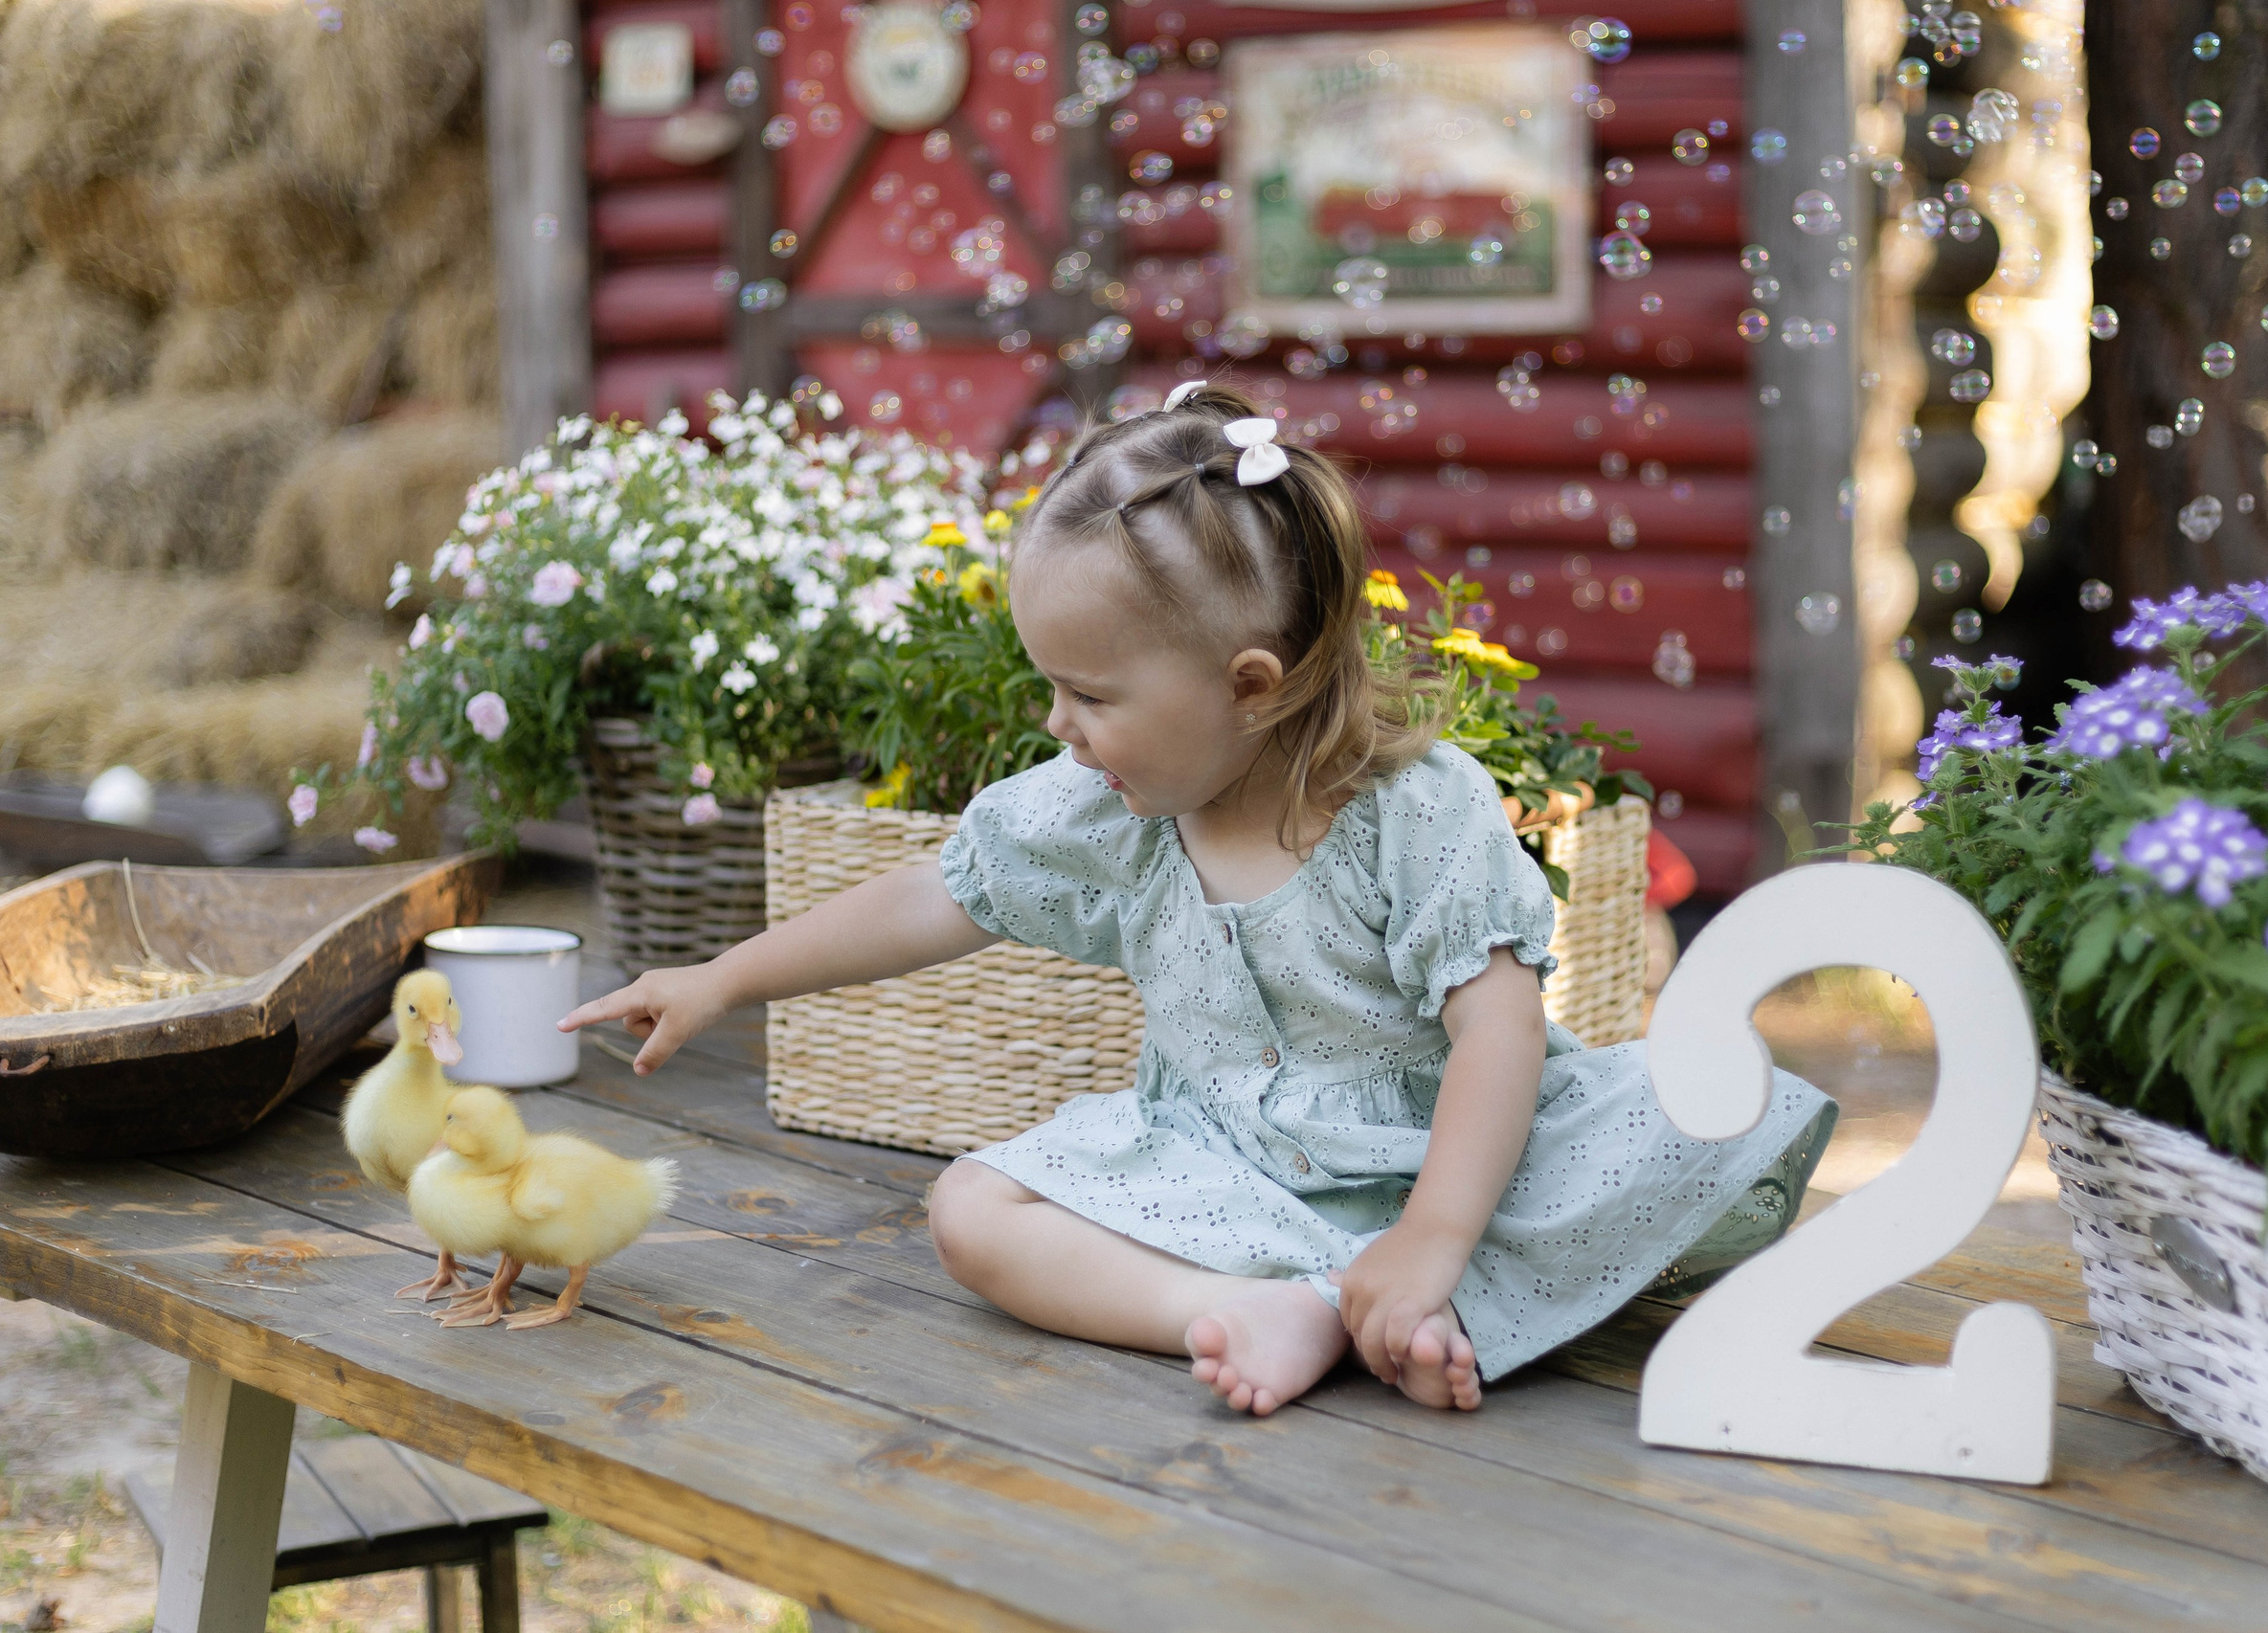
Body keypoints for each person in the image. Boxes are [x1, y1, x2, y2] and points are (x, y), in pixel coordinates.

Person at [561, 379, 1834, 1417]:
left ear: (1252, 683)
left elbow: (1496, 1030)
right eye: (1051, 685)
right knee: (971, 1210)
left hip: (1447, 1153)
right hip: (1220, 1173)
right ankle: (1282, 1307)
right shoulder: (1105, 808)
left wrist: (1439, 1227)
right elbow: (929, 896)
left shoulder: (1418, 808)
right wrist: (721, 977)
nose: (1058, 724)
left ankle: (1412, 1283)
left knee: (1707, 1110)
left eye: (1092, 694)